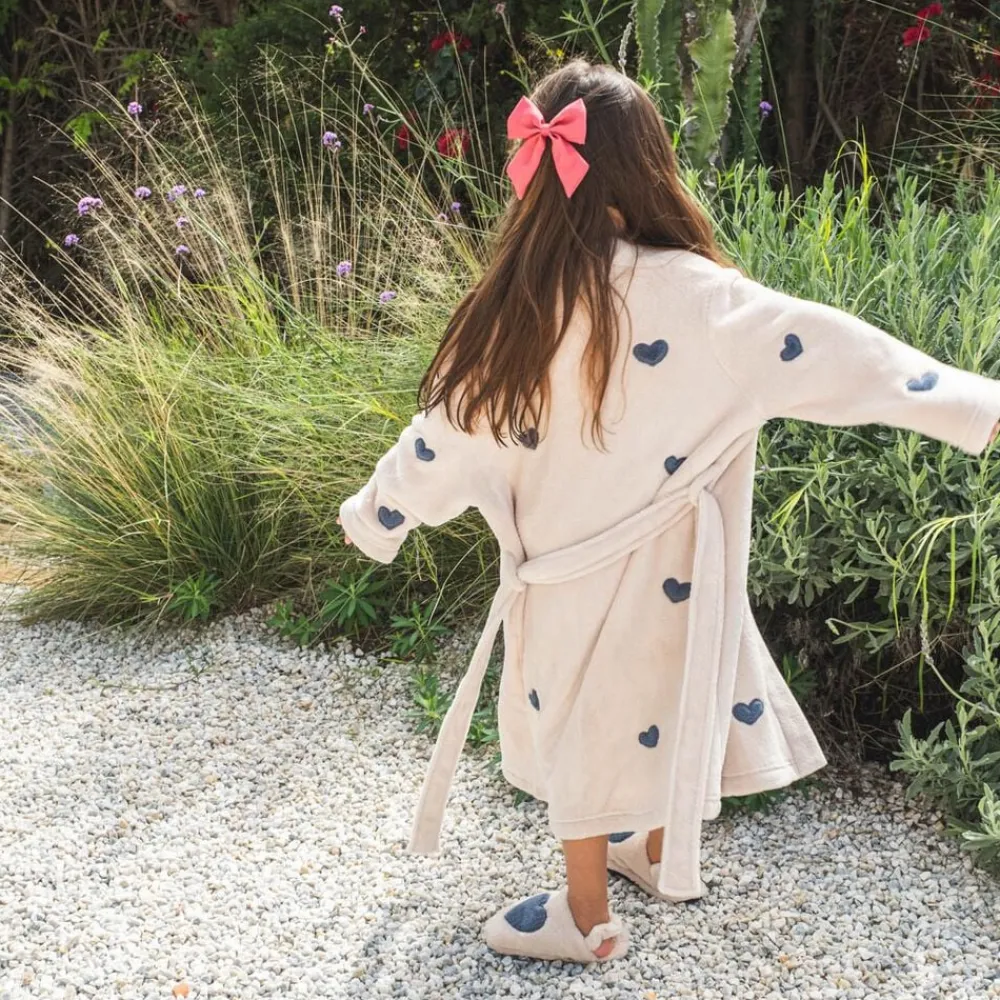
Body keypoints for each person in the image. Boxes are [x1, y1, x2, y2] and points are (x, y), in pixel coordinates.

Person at [337, 59, 1000, 963]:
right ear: (649, 165)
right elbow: (832, 349)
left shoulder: (510, 311)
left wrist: (379, 514)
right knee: (655, 706)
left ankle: (584, 914)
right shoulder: (702, 299)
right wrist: (969, 402)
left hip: (562, 582)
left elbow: (439, 440)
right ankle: (650, 851)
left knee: (581, 732)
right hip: (675, 580)